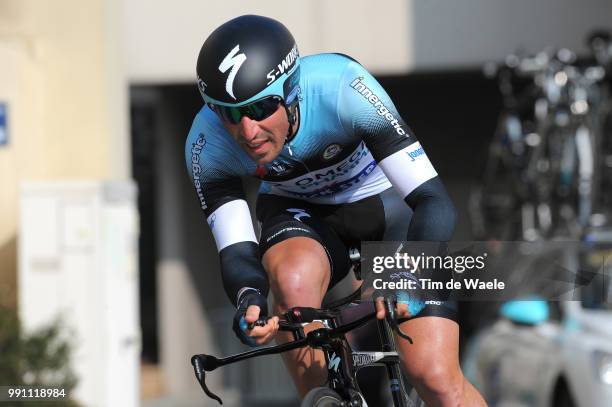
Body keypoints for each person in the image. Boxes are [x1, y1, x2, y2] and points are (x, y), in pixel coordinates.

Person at [185, 14, 486, 406]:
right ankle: (325, 396)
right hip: (300, 215)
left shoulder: (342, 87)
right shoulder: (206, 144)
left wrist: (407, 272)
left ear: (291, 90)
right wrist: (248, 300)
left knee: (436, 378)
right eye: (229, 113)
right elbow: (238, 251)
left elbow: (434, 202)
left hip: (388, 209)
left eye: (260, 109)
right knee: (290, 282)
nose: (248, 132)